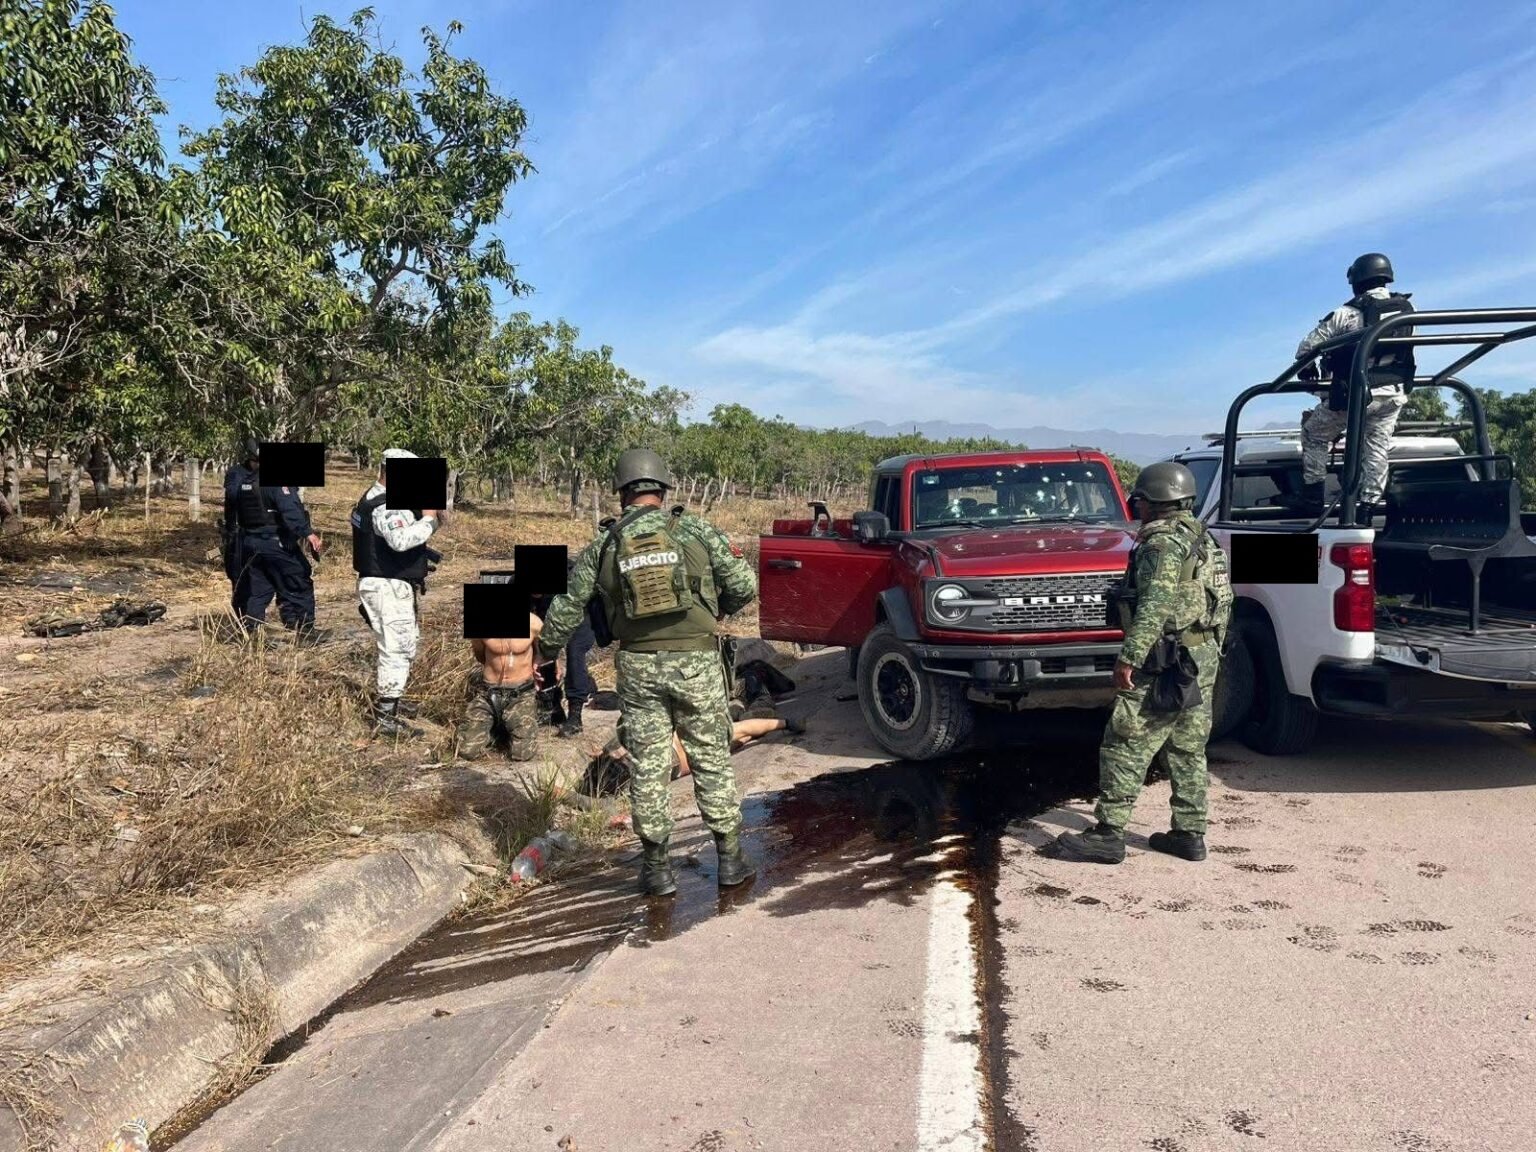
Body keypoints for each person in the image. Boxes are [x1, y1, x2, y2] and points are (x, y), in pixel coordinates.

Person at [535, 447, 758, 898]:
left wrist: (544, 654)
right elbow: (745, 586)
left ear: (622, 493)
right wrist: (713, 612)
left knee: (648, 766)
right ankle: (731, 861)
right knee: (711, 758)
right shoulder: (695, 529)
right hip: (697, 661)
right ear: (662, 487)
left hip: (637, 667)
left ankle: (656, 870)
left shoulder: (605, 543)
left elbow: (567, 607)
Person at [1055, 462, 1233, 866]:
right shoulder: (1201, 538)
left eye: (1139, 501)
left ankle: (1109, 834)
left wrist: (1130, 657)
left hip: (1165, 657)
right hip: (1200, 654)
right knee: (1187, 746)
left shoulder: (1162, 544)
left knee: (1126, 740)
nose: (1136, 508)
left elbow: (1156, 603)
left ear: (1153, 502)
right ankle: (1189, 833)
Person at [1295, 252, 1416, 523]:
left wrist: (1307, 369)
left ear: (1357, 280)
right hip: (1393, 393)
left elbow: (1305, 348)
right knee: (1376, 448)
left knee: (1313, 434)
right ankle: (1367, 508)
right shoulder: (1409, 310)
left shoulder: (1347, 313)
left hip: (1357, 395)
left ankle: (1312, 496)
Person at [351, 448, 442, 737]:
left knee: (404, 644)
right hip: (386, 586)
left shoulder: (379, 499)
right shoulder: (387, 504)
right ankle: (385, 718)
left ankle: (393, 701)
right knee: (396, 649)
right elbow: (400, 540)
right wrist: (429, 520)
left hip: (388, 584)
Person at [222, 438, 323, 640]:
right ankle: (306, 633)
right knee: (299, 580)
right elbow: (290, 511)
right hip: (275, 541)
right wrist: (308, 533)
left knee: (259, 588)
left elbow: (232, 510)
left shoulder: (244, 482)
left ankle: (251, 636)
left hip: (250, 542)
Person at [457, 605, 545, 762]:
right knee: (466, 751)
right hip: (488, 692)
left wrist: (538, 665)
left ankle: (511, 727)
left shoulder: (534, 623)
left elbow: (544, 651)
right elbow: (480, 655)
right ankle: (494, 730)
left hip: (521, 693)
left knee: (522, 754)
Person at [532, 557, 599, 738]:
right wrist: (543, 654)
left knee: (574, 651)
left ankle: (575, 715)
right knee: (539, 647)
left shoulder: (572, 583)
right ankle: (552, 707)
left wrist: (557, 657)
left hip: (580, 612)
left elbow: (569, 617)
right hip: (550, 612)